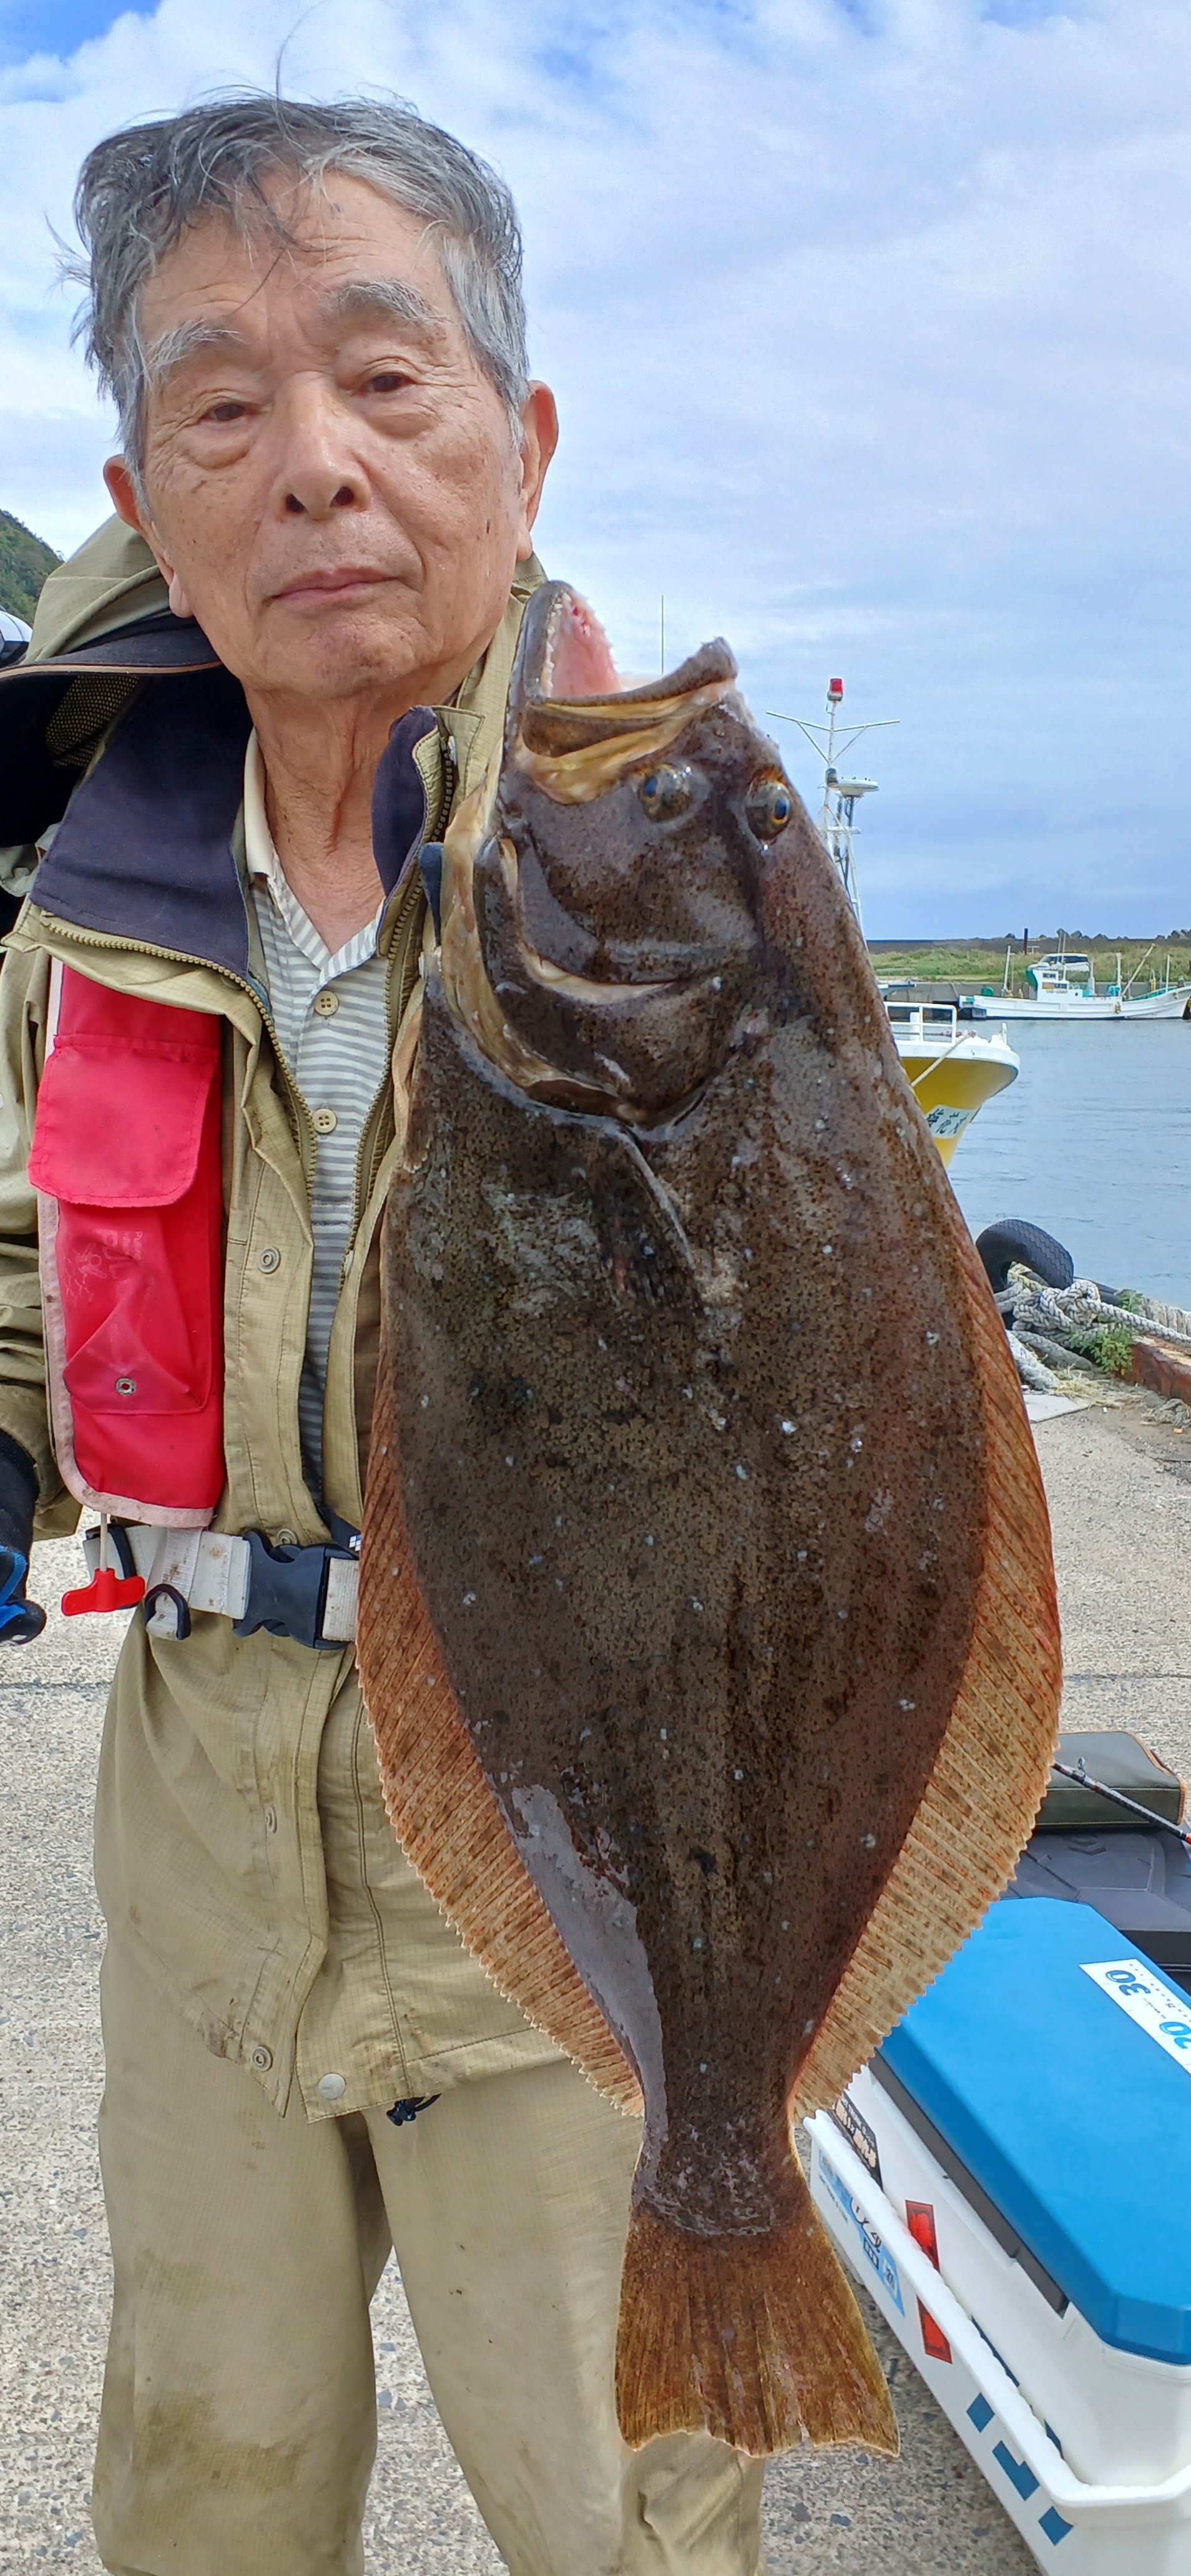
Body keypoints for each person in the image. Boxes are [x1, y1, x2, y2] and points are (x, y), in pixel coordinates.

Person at [0, 94, 768, 2576]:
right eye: (223, 406)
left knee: (625, 2494)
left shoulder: (672, 869)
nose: (314, 465)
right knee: (200, 2477)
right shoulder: (89, 899)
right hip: (202, 1796)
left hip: (579, 1797)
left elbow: (834, 1386)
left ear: (518, 444)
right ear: (147, 491)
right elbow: (25, 1269)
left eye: (385, 377)